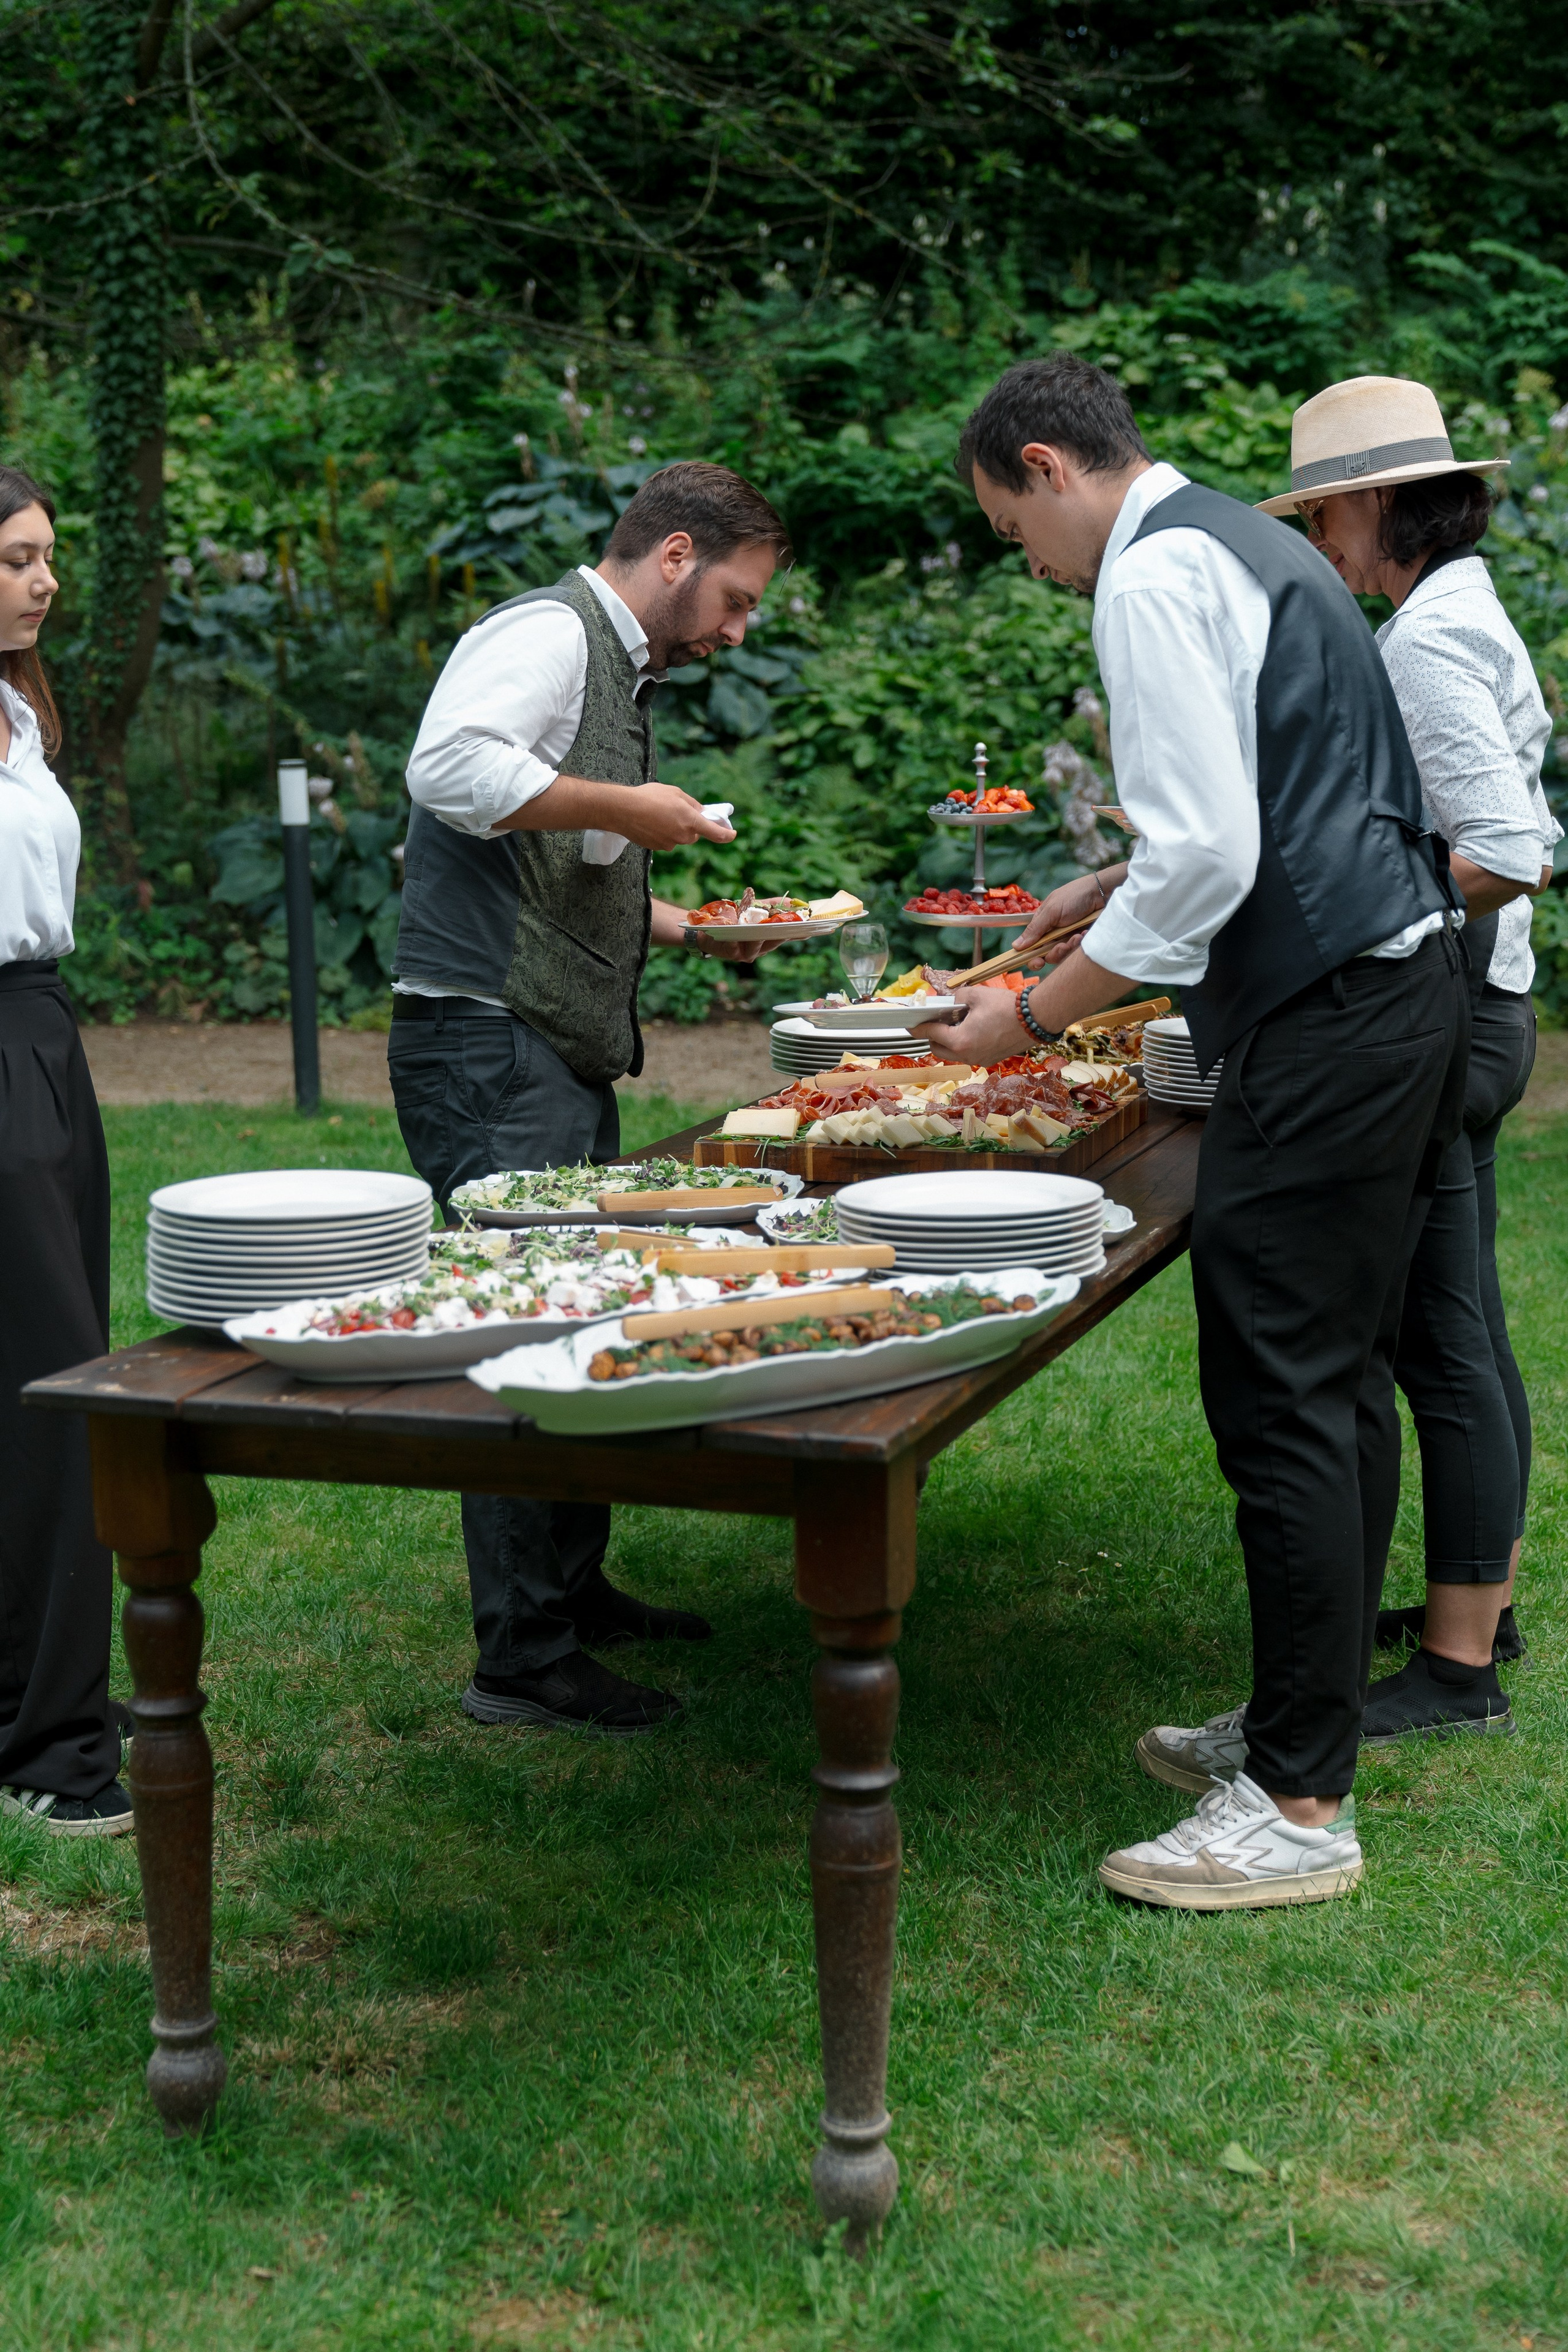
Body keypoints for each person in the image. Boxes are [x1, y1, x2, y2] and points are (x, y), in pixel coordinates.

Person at [914, 355, 1468, 1911]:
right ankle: (1308, 1720)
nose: (1026, 560)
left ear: (1045, 465)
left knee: (1281, 1386)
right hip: (1399, 984)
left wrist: (1025, 1020)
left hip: (1332, 1014)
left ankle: (1293, 1809)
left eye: (1008, 526)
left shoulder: (1149, 576)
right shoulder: (1248, 537)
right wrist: (1108, 884)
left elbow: (1214, 856)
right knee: (1340, 1378)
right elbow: (1277, 790)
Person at [390, 460, 792, 1738]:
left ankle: (569, 1589)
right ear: (673, 555)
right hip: (484, 1044)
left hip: (545, 1041)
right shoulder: (543, 635)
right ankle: (520, 1655)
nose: (736, 628)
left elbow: (558, 856)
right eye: (732, 598)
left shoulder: (615, 667)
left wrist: (684, 929)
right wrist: (635, 806)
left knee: (583, 1309)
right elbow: (449, 769)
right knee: (515, 1332)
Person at [1267, 378, 1556, 1743]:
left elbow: (1507, 849)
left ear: (1377, 505)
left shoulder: (1422, 643)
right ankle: (1474, 1605)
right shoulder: (1448, 613)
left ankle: (1453, 1672)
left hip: (1450, 1013)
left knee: (1434, 1340)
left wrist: (1368, 895)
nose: (1317, 541)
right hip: (1485, 1010)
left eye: (1321, 514)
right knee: (1462, 1334)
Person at [0, 464, 130, 1834]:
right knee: (47, 1399)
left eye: (49, 556)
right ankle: (53, 1746)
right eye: (18, 558)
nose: (45, 581)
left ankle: (33, 1696)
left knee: (46, 1373)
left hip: (43, 1037)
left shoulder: (18, 715)